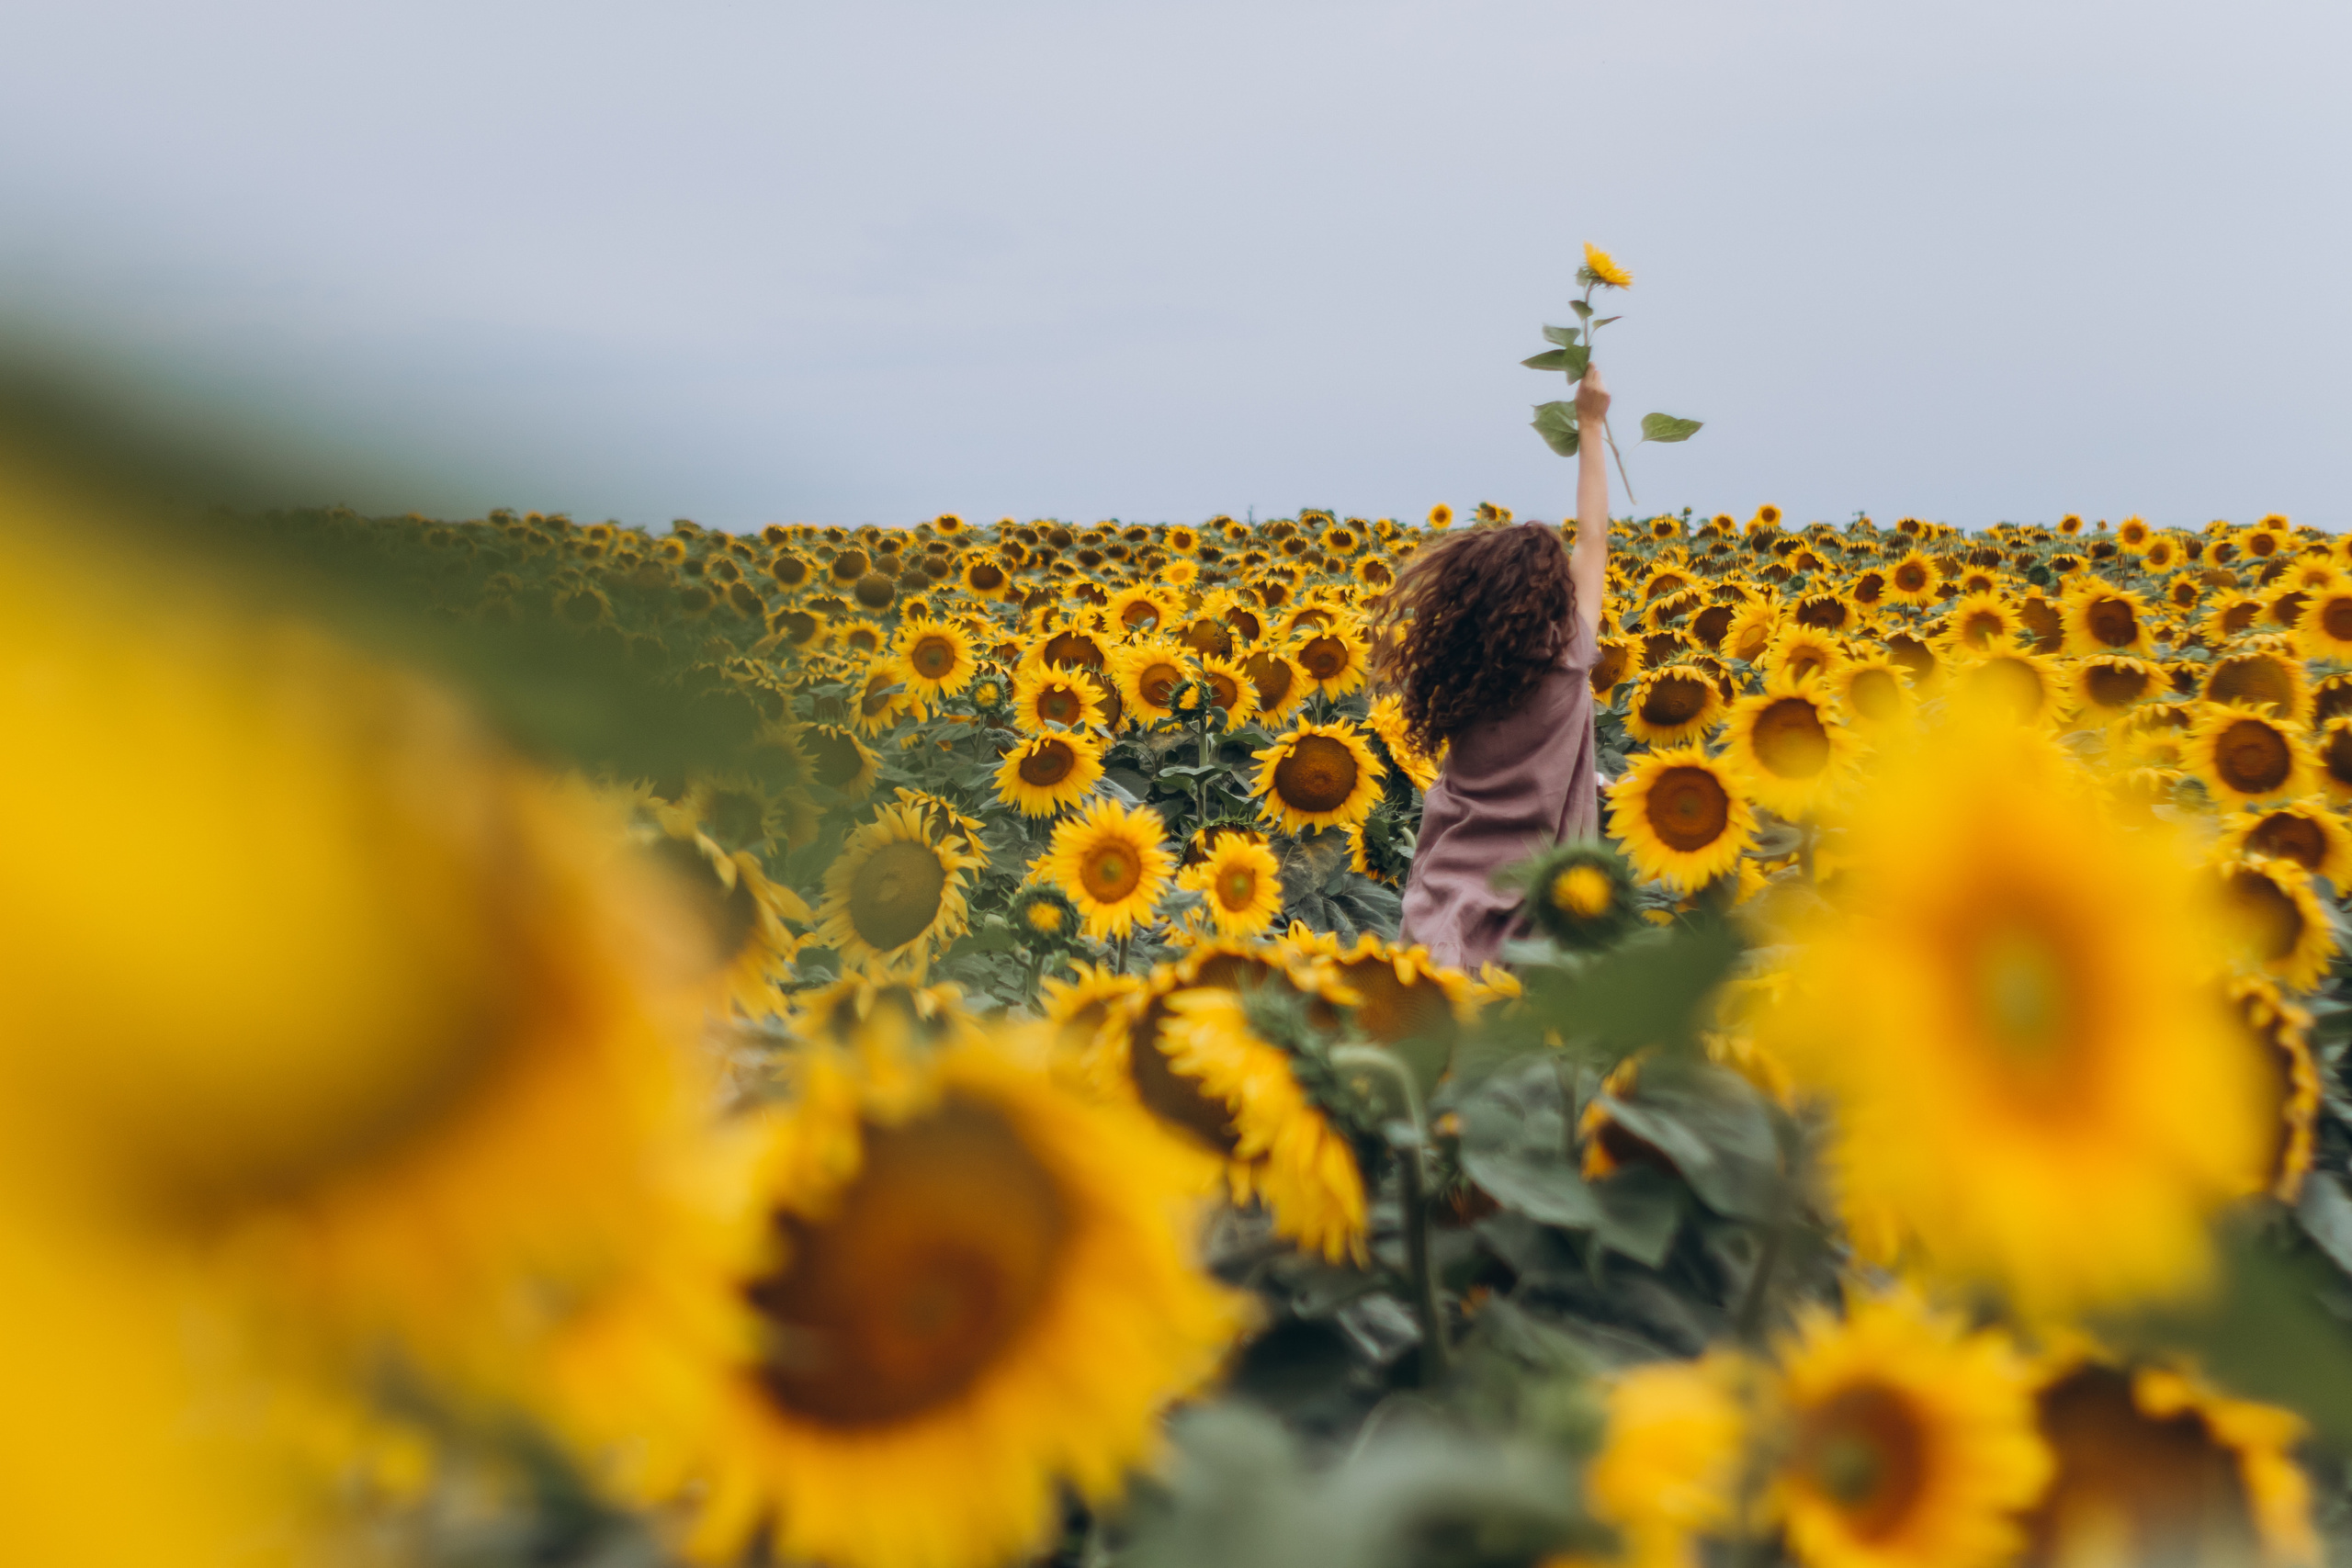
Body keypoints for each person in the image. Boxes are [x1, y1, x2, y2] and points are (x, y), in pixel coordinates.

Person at [1379, 367, 1611, 971]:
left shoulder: (1461, 671)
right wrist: (1590, 425)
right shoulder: (1568, 658)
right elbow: (1594, 538)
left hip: (1446, 895)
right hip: (1535, 908)